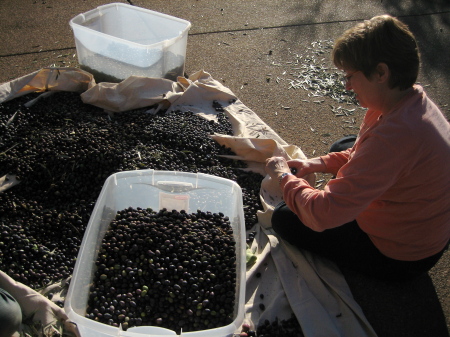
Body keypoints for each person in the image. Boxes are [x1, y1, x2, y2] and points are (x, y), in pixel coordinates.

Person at [265, 14, 450, 282]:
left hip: (403, 254)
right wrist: (315, 164)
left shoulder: (393, 139)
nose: (347, 85)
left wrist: (284, 177)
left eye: (351, 76)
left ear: (381, 73)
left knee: (285, 218)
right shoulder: (407, 101)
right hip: (423, 223)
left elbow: (321, 214)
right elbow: (362, 152)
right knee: (344, 145)